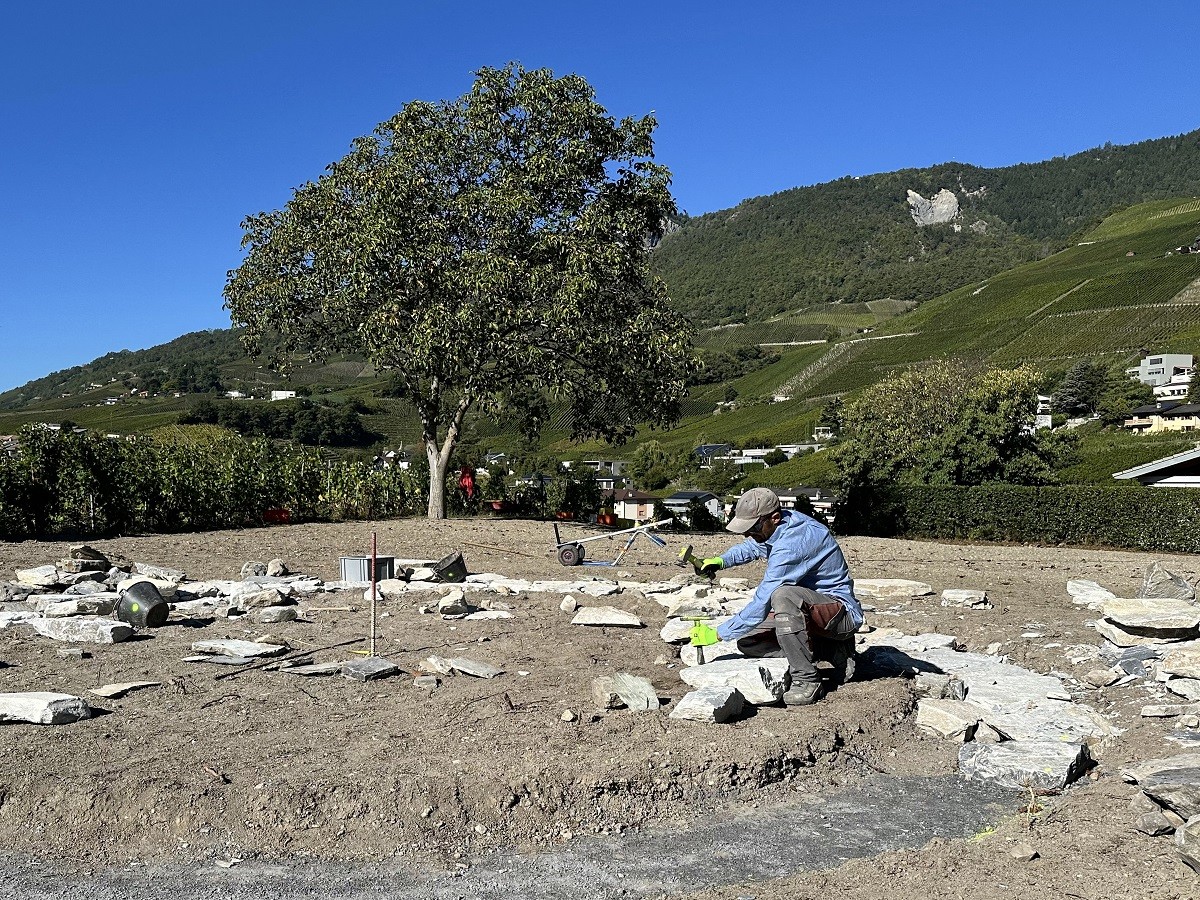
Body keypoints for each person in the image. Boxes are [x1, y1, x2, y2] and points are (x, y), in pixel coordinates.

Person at [697, 487, 863, 706]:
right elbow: (753, 547)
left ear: (774, 518)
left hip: (839, 615)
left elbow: (764, 599)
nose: (748, 533)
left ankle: (807, 681)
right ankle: (831, 651)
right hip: (810, 610)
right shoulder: (780, 525)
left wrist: (718, 634)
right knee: (749, 642)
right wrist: (720, 561)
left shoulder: (795, 543)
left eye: (753, 527)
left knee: (782, 596)